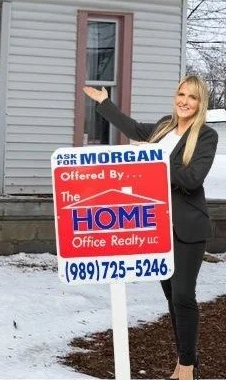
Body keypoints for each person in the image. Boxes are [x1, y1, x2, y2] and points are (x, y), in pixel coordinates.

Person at [83, 75, 217, 380]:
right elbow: (133, 129)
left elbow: (192, 179)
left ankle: (187, 367)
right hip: (157, 228)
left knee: (183, 296)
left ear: (201, 103)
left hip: (187, 228)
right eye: (181, 94)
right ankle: (185, 359)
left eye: (192, 97)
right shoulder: (164, 126)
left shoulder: (206, 136)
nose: (185, 101)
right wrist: (105, 103)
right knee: (171, 298)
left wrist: (154, 157)